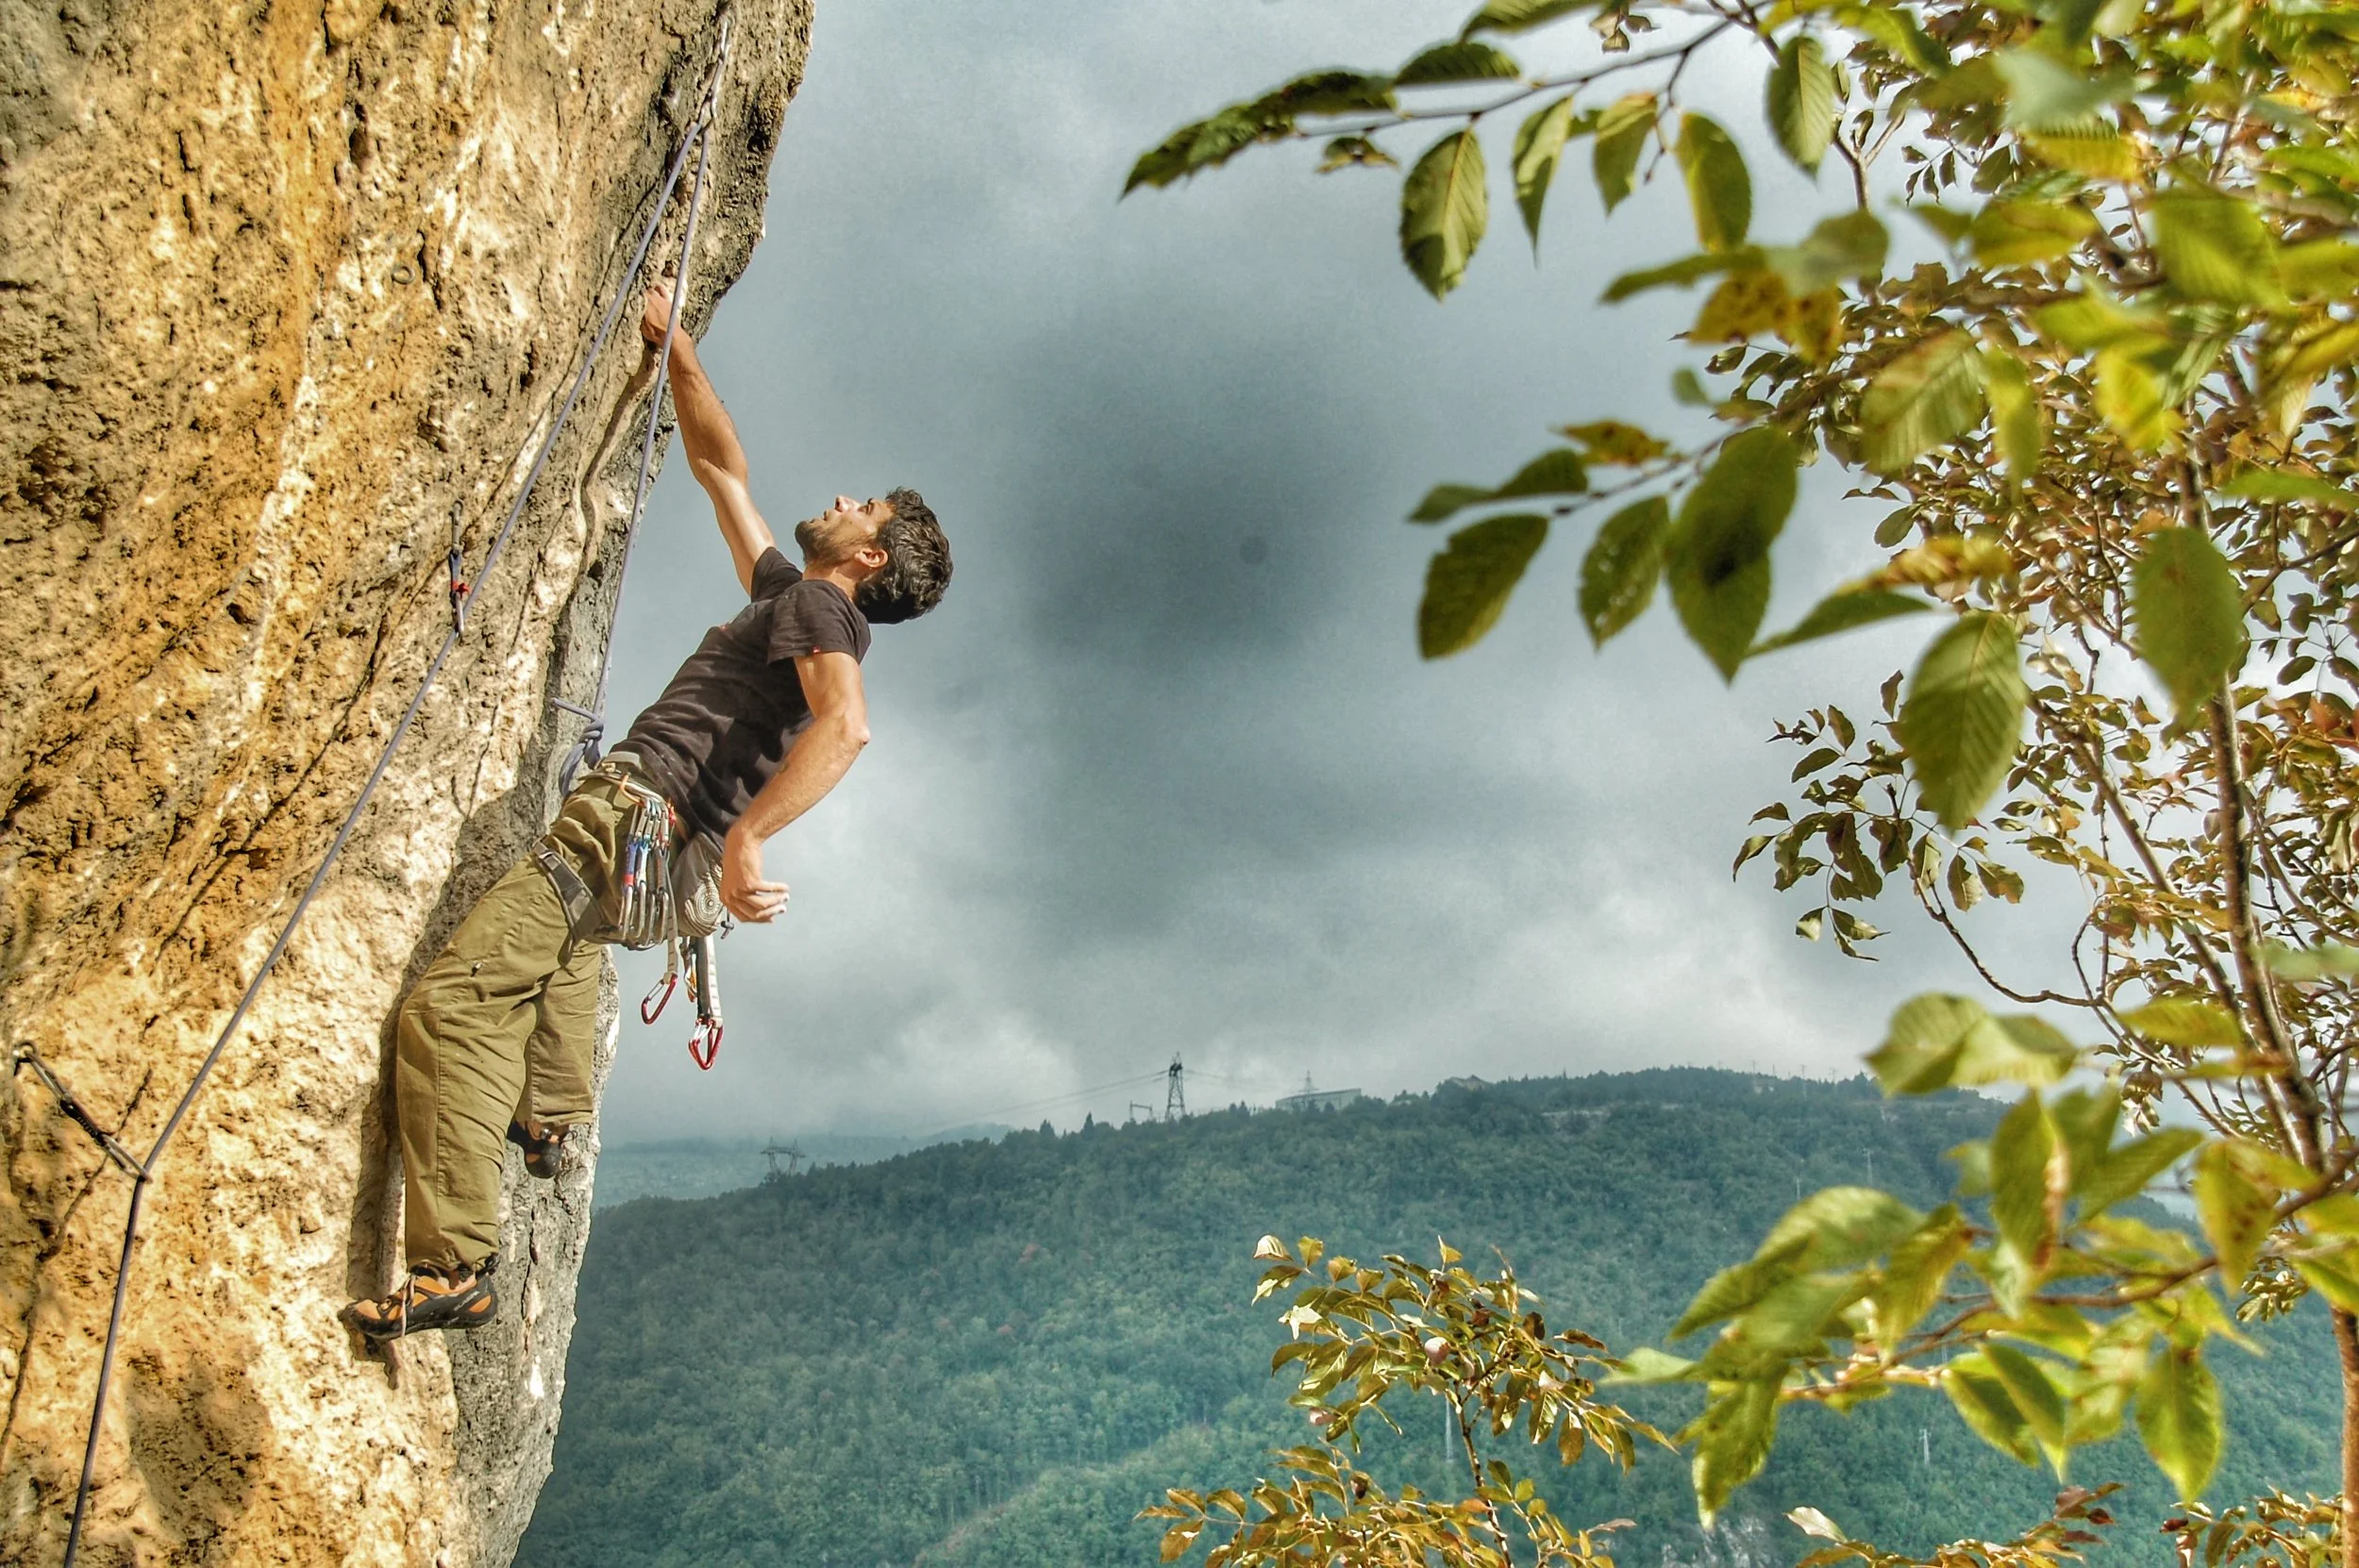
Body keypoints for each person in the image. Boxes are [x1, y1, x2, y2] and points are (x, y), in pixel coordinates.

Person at [342, 287, 951, 1340]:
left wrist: (751, 837)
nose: (846, 497)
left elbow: (845, 727)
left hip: (639, 821)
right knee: (570, 949)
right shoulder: (788, 592)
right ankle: (549, 1115)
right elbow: (722, 471)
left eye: (867, 510)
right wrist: (681, 352)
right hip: (656, 858)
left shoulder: (820, 612)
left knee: (453, 1006)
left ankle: (455, 1266)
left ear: (870, 560)